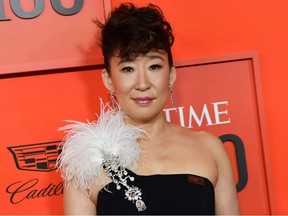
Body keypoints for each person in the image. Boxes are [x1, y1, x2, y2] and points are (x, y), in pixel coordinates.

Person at [57, 2, 240, 215]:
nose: (142, 83)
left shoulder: (209, 148)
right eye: (128, 69)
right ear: (108, 79)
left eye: (154, 66)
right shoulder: (87, 161)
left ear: (171, 74)